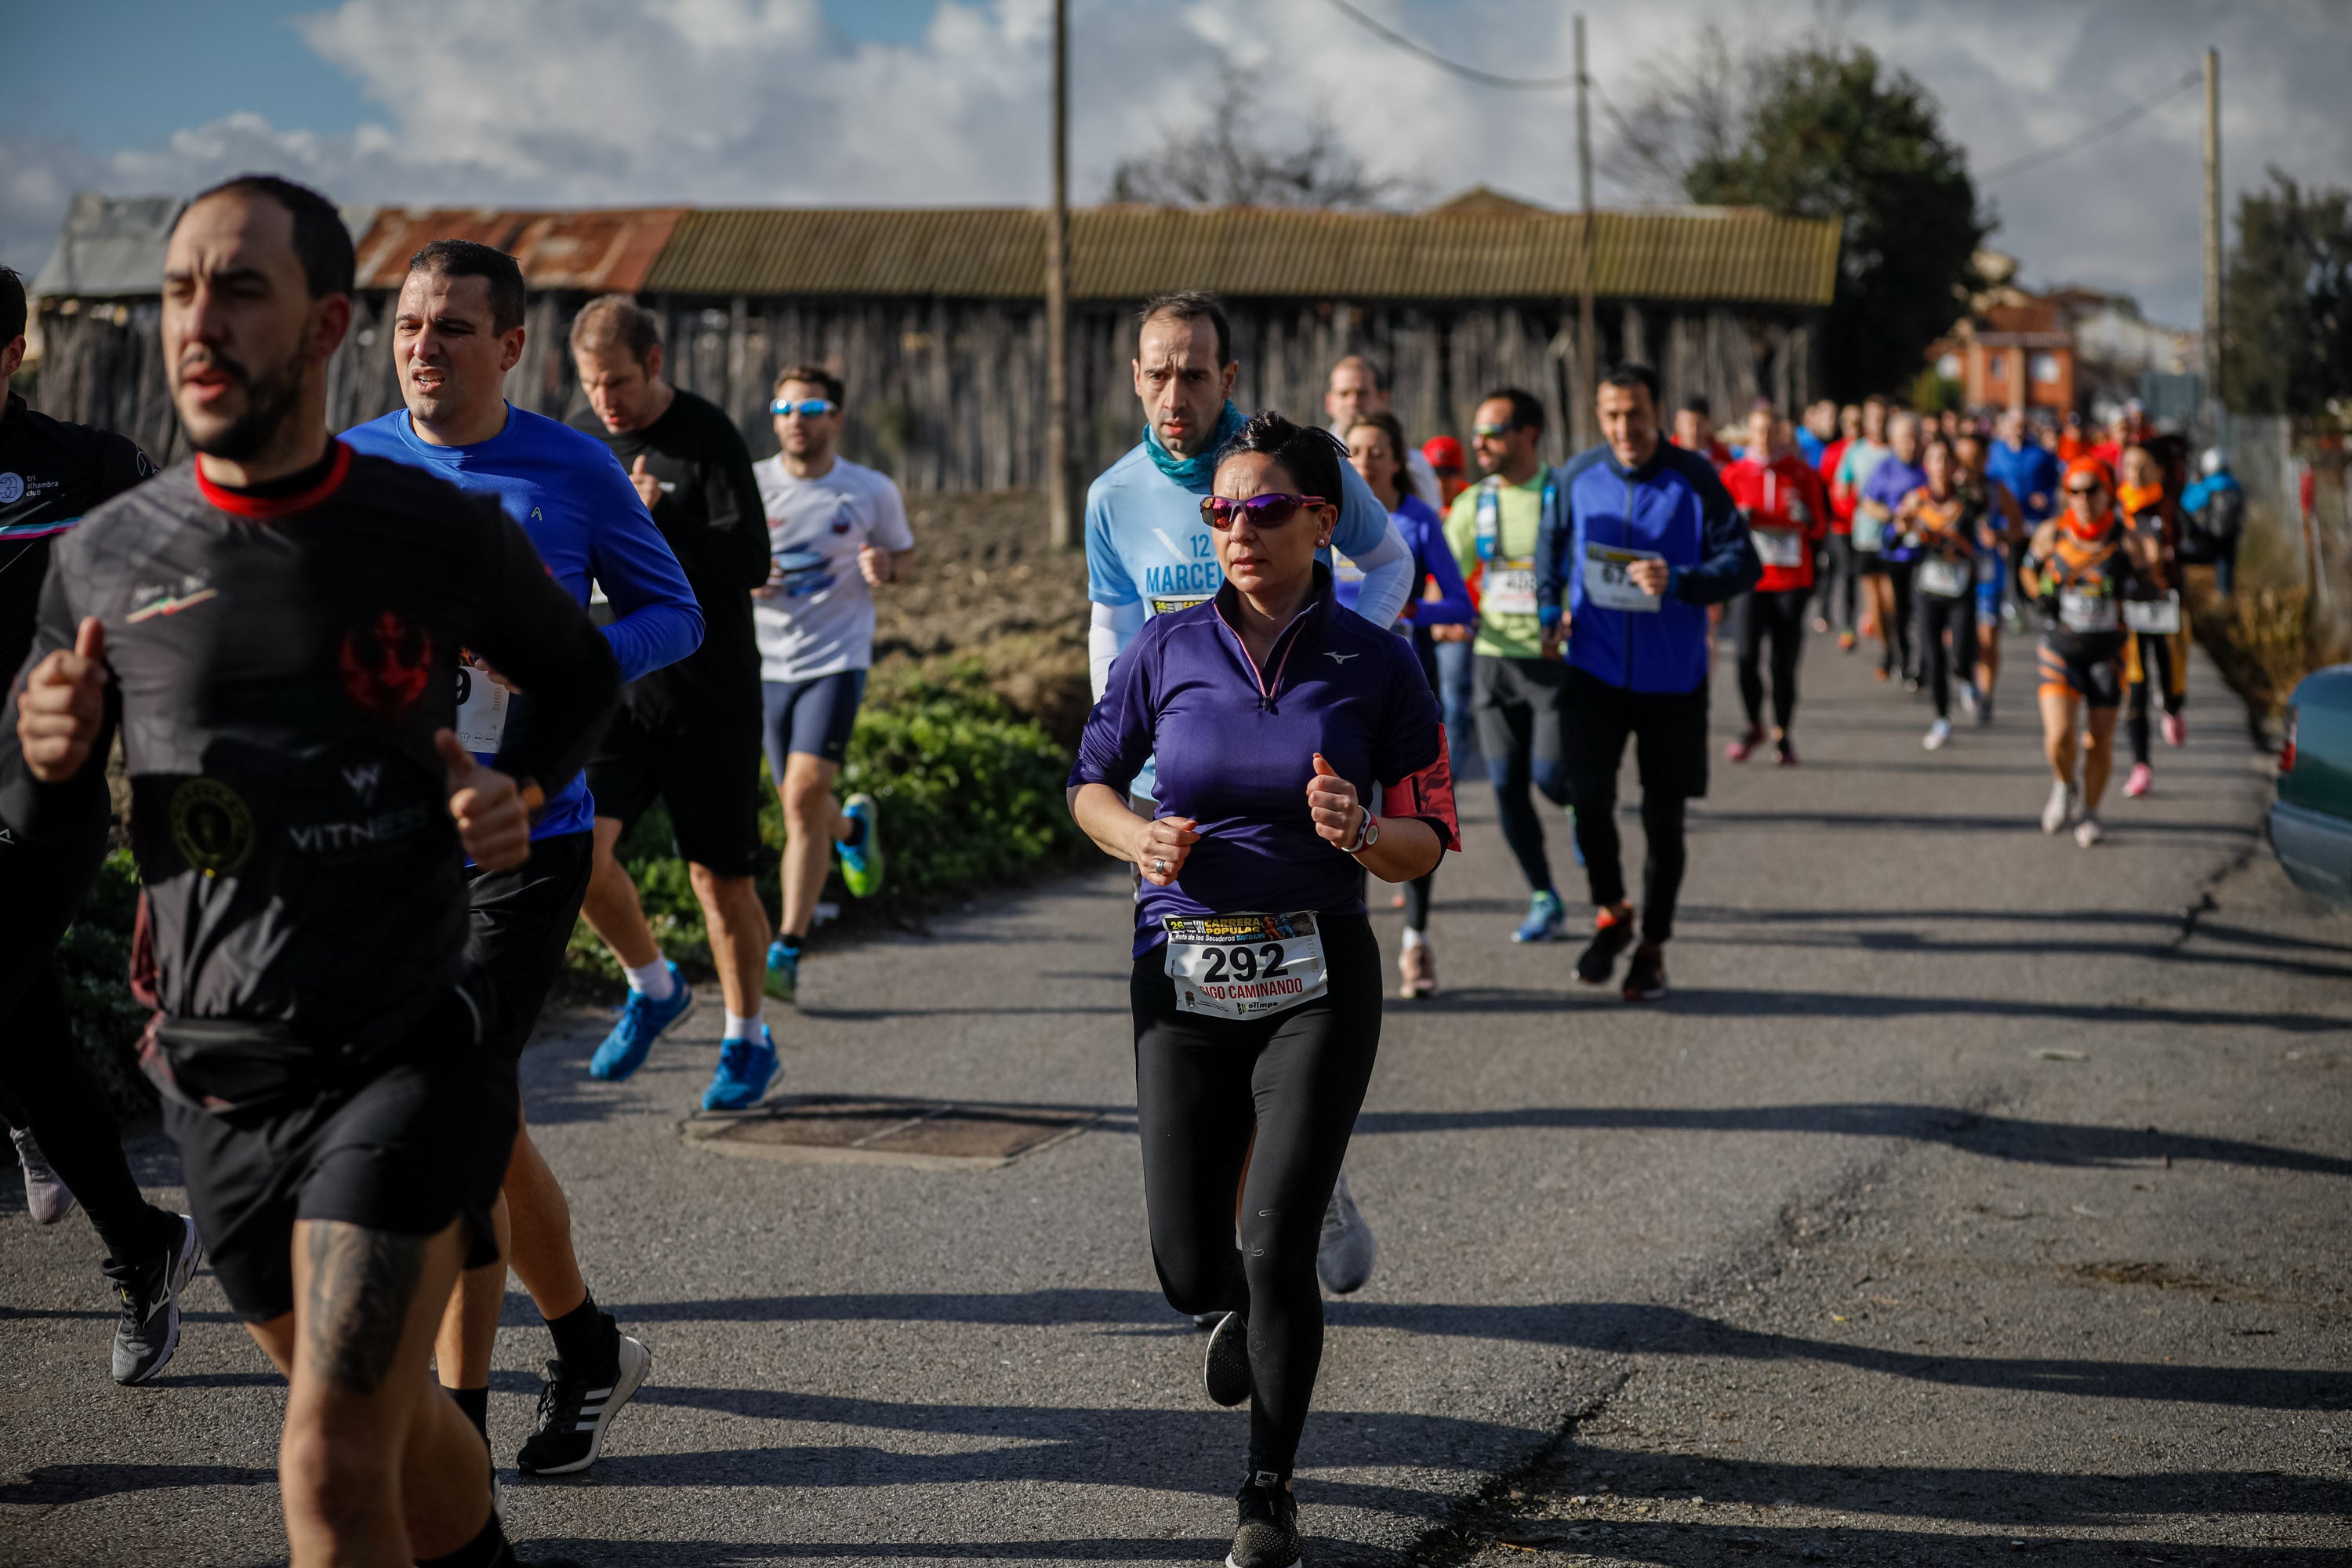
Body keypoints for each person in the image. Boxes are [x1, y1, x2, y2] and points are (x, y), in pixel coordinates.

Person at [3, 173, 619, 1568]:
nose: (198, 320)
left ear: (327, 322)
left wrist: (521, 789)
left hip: (402, 1049)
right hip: (218, 1070)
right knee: (394, 1434)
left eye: (241, 289)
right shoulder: (109, 554)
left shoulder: (427, 529)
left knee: (329, 1463)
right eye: (179, 290)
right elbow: (47, 825)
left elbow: (581, 672)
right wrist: (44, 761)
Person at [1067, 412, 1457, 1568]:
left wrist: (1364, 830)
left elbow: (1429, 835)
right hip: (1182, 967)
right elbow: (1090, 783)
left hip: (1316, 973)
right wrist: (1136, 837)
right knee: (1192, 1265)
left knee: (1278, 1243)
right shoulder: (1167, 648)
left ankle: (1268, 1492)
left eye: (1265, 508)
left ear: (1322, 522)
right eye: (1221, 510)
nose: (1237, 529)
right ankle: (1239, 1307)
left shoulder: (1378, 662)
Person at [343, 238, 699, 1475]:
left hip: (530, 836)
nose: (424, 348)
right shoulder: (352, 467)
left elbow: (676, 615)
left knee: (450, 1120)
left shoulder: (573, 467)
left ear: (509, 345)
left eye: (451, 327)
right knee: (486, 1127)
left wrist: (559, 659)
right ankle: (590, 1349)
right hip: (390, 844)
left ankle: (454, 1439)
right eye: (407, 326)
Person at [1083, 292, 1411, 1301]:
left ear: (1228, 377)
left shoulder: (1291, 468)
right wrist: (1130, 760)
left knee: (1293, 999)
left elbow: (1388, 562)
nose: (1173, 394)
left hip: (1299, 773)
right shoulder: (1113, 494)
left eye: (1194, 373)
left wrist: (1338, 673)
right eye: (1156, 372)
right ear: (1135, 377)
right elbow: (1111, 622)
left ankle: (1300, 1189)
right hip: (1180, 793)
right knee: (1206, 1015)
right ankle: (1247, 1253)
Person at [0, 263, 199, 1385]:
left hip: (46, 804)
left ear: (13, 353)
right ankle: (144, 1242)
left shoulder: (93, 467)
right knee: (28, 1041)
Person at [562, 295, 779, 1078]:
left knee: (718, 882)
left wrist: (659, 522)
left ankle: (747, 1038)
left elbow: (750, 561)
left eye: (618, 381)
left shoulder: (706, 436)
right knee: (576, 853)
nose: (605, 400)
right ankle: (653, 985)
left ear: (654, 363)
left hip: (707, 697)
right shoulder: (579, 440)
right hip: (612, 697)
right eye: (591, 383)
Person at [1534, 363, 1760, 1001]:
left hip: (1673, 679)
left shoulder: (1695, 477)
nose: (1624, 427)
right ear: (1598, 415)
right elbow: (1550, 548)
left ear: (1657, 412)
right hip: (1594, 669)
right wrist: (1549, 610)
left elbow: (1744, 562)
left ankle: (1653, 947)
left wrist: (1681, 581)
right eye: (1612, 415)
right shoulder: (1576, 476)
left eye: (1635, 413)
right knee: (1588, 800)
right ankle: (1613, 912)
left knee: (1664, 821)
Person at [748, 363, 912, 1004]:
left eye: (811, 410)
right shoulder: (752, 484)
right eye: (784, 410)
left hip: (836, 659)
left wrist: (886, 567)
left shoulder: (869, 489)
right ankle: (852, 832)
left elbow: (905, 557)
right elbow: (715, 560)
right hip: (766, 664)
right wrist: (745, 575)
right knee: (804, 806)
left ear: (836, 420)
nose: (796, 421)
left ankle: (786, 947)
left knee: (799, 797)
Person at [1344, 410, 1472, 997]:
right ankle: (1354, 948)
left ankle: (1416, 942)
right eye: (1356, 452)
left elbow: (1462, 606)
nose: (1366, 462)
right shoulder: (1330, 519)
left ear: (1398, 460)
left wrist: (1408, 606)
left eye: (1378, 452)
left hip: (1406, 692)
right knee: (1348, 820)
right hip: (1341, 693)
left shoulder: (1418, 521)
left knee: (1413, 821)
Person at [1444, 388, 1577, 944]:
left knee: (1551, 778)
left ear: (1529, 434)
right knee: (1505, 787)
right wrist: (1446, 615)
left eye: (1493, 432)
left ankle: (1581, 804)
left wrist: (1571, 612)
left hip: (1553, 662)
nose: (1480, 443)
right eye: (1477, 433)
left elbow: (1586, 566)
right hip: (1494, 661)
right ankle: (1544, 895)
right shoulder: (1474, 503)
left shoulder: (1562, 494)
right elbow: (1445, 574)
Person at [2023, 456, 2140, 847]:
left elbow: (2154, 581)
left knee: (2098, 739)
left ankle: (2090, 813)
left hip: (2108, 652)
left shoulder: (2127, 540)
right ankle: (2063, 784)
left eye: (2092, 490)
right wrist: (2039, 594)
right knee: (2059, 736)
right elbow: (2027, 570)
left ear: (2109, 493)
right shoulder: (2052, 533)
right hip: (2061, 647)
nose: (2084, 499)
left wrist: (2144, 583)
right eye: (2075, 491)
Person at [1720, 400, 1828, 765]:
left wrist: (1807, 517)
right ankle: (1754, 724)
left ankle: (1783, 734)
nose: (1764, 438)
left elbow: (1820, 527)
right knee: (1746, 657)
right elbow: (1717, 528)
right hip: (1751, 579)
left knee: (1784, 662)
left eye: (1770, 431)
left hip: (1791, 580)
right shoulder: (1734, 474)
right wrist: (1738, 519)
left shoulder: (1800, 473)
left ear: (1781, 433)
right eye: (1757, 431)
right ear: (1748, 434)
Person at [1896, 437, 1983, 750]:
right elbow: (1895, 538)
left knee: (1960, 654)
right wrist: (1903, 525)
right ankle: (1942, 719)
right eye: (1935, 459)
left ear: (1954, 465)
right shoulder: (1916, 500)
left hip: (1960, 588)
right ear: (1926, 465)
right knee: (1932, 656)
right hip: (1927, 587)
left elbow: (1982, 541)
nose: (1941, 466)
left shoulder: (1968, 501)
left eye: (1946, 459)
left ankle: (1966, 677)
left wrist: (1959, 542)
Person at [2115, 445, 2188, 798]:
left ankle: (2173, 707)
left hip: (2165, 605)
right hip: (2130, 606)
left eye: (2142, 466)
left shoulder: (2169, 507)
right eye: (2128, 465)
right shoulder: (2117, 508)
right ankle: (2141, 765)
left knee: (2171, 673)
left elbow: (2199, 544)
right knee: (2137, 685)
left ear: (2159, 471)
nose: (2135, 473)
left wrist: (2170, 555)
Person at [1955, 428, 2026, 725]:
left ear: (1985, 458)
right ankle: (1966, 677)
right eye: (1962, 458)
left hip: (1987, 574)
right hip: (1954, 574)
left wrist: (2000, 536)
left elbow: (2018, 527)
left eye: (1974, 457)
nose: (1968, 464)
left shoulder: (1996, 490)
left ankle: (1985, 695)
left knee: (1987, 640)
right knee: (1956, 638)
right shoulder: (1949, 489)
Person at [1856, 409, 1928, 687]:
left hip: (1926, 551)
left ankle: (1924, 664)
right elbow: (1868, 504)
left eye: (1914, 437)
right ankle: (1901, 656)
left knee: (1924, 610)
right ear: (1894, 440)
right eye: (1904, 438)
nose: (1910, 444)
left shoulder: (1929, 465)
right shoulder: (1884, 468)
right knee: (1897, 610)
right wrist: (1894, 515)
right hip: (1894, 551)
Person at [1419, 434, 1477, 766]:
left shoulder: (1472, 504)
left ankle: (1451, 777)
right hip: (1427, 618)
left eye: (1449, 473)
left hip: (1462, 618)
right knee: (1432, 701)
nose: (1442, 482)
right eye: (1435, 474)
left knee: (1456, 702)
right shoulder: (1420, 506)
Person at [1323, 354, 1441, 508]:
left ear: (1383, 398)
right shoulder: (1316, 460)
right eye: (1344, 394)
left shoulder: (1413, 464)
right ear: (1329, 402)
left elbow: (1429, 518)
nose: (1353, 402)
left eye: (1362, 393)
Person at [1831, 398, 1895, 657]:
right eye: (1873, 418)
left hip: (1895, 536)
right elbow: (1840, 488)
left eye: (1882, 418)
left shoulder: (1896, 450)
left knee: (1892, 598)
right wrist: (1862, 503)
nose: (1878, 423)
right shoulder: (1855, 452)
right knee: (1874, 598)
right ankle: (1888, 651)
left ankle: (1895, 646)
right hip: (1865, 535)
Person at [1813, 403, 1862, 644]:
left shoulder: (1866, 450)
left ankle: (1848, 623)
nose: (1854, 428)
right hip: (1838, 523)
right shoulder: (1833, 452)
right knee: (1832, 570)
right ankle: (1825, 613)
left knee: (1851, 574)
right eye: (1850, 423)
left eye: (1858, 423)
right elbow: (1822, 488)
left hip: (1861, 525)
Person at [2182, 446, 2245, 595]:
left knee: (2218, 561)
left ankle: (2218, 594)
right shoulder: (2235, 485)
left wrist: (2192, 484)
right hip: (2232, 532)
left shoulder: (2207, 486)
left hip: (2211, 533)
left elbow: (2187, 503)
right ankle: (2226, 594)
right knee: (2227, 563)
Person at [1671, 394, 1733, 467]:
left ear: (1708, 423)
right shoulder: (1668, 455)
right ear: (1677, 424)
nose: (1694, 430)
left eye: (1699, 424)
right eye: (1689, 424)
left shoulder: (1722, 457)